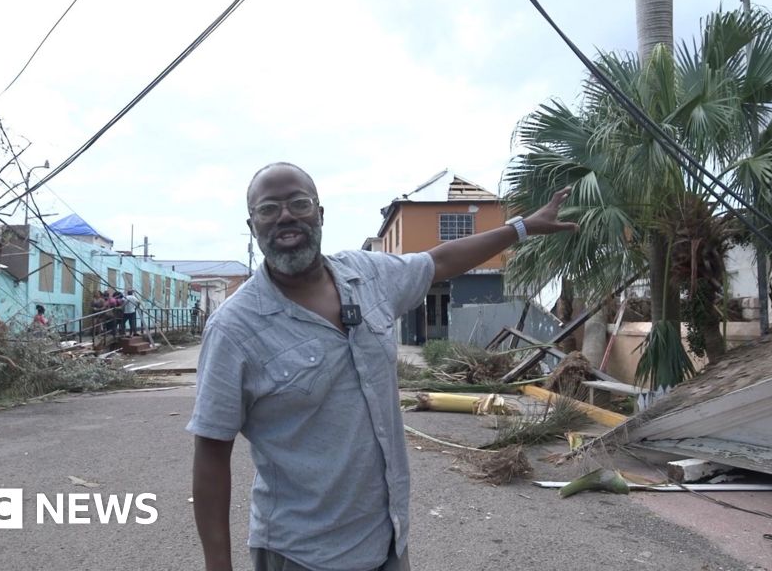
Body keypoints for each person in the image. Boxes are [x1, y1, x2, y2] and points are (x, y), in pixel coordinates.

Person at [188, 162, 576, 571]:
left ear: (320, 214)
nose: (285, 215)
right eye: (269, 209)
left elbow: (439, 262)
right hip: (302, 552)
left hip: (387, 537)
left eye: (298, 203)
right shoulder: (234, 329)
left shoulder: (368, 274)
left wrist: (522, 228)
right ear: (253, 226)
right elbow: (211, 451)